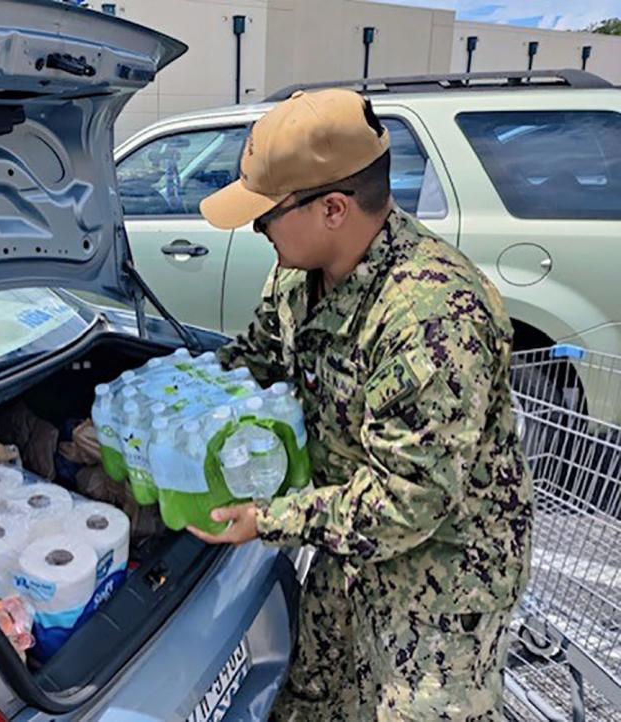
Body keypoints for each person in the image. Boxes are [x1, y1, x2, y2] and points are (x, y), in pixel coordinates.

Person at [185, 88, 533, 720]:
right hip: (350, 543)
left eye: (265, 216)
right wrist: (176, 401)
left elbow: (410, 501)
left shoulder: (431, 319)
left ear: (334, 209)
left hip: (445, 576)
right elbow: (258, 359)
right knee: (312, 699)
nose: (257, 230)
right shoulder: (298, 272)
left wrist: (267, 519)